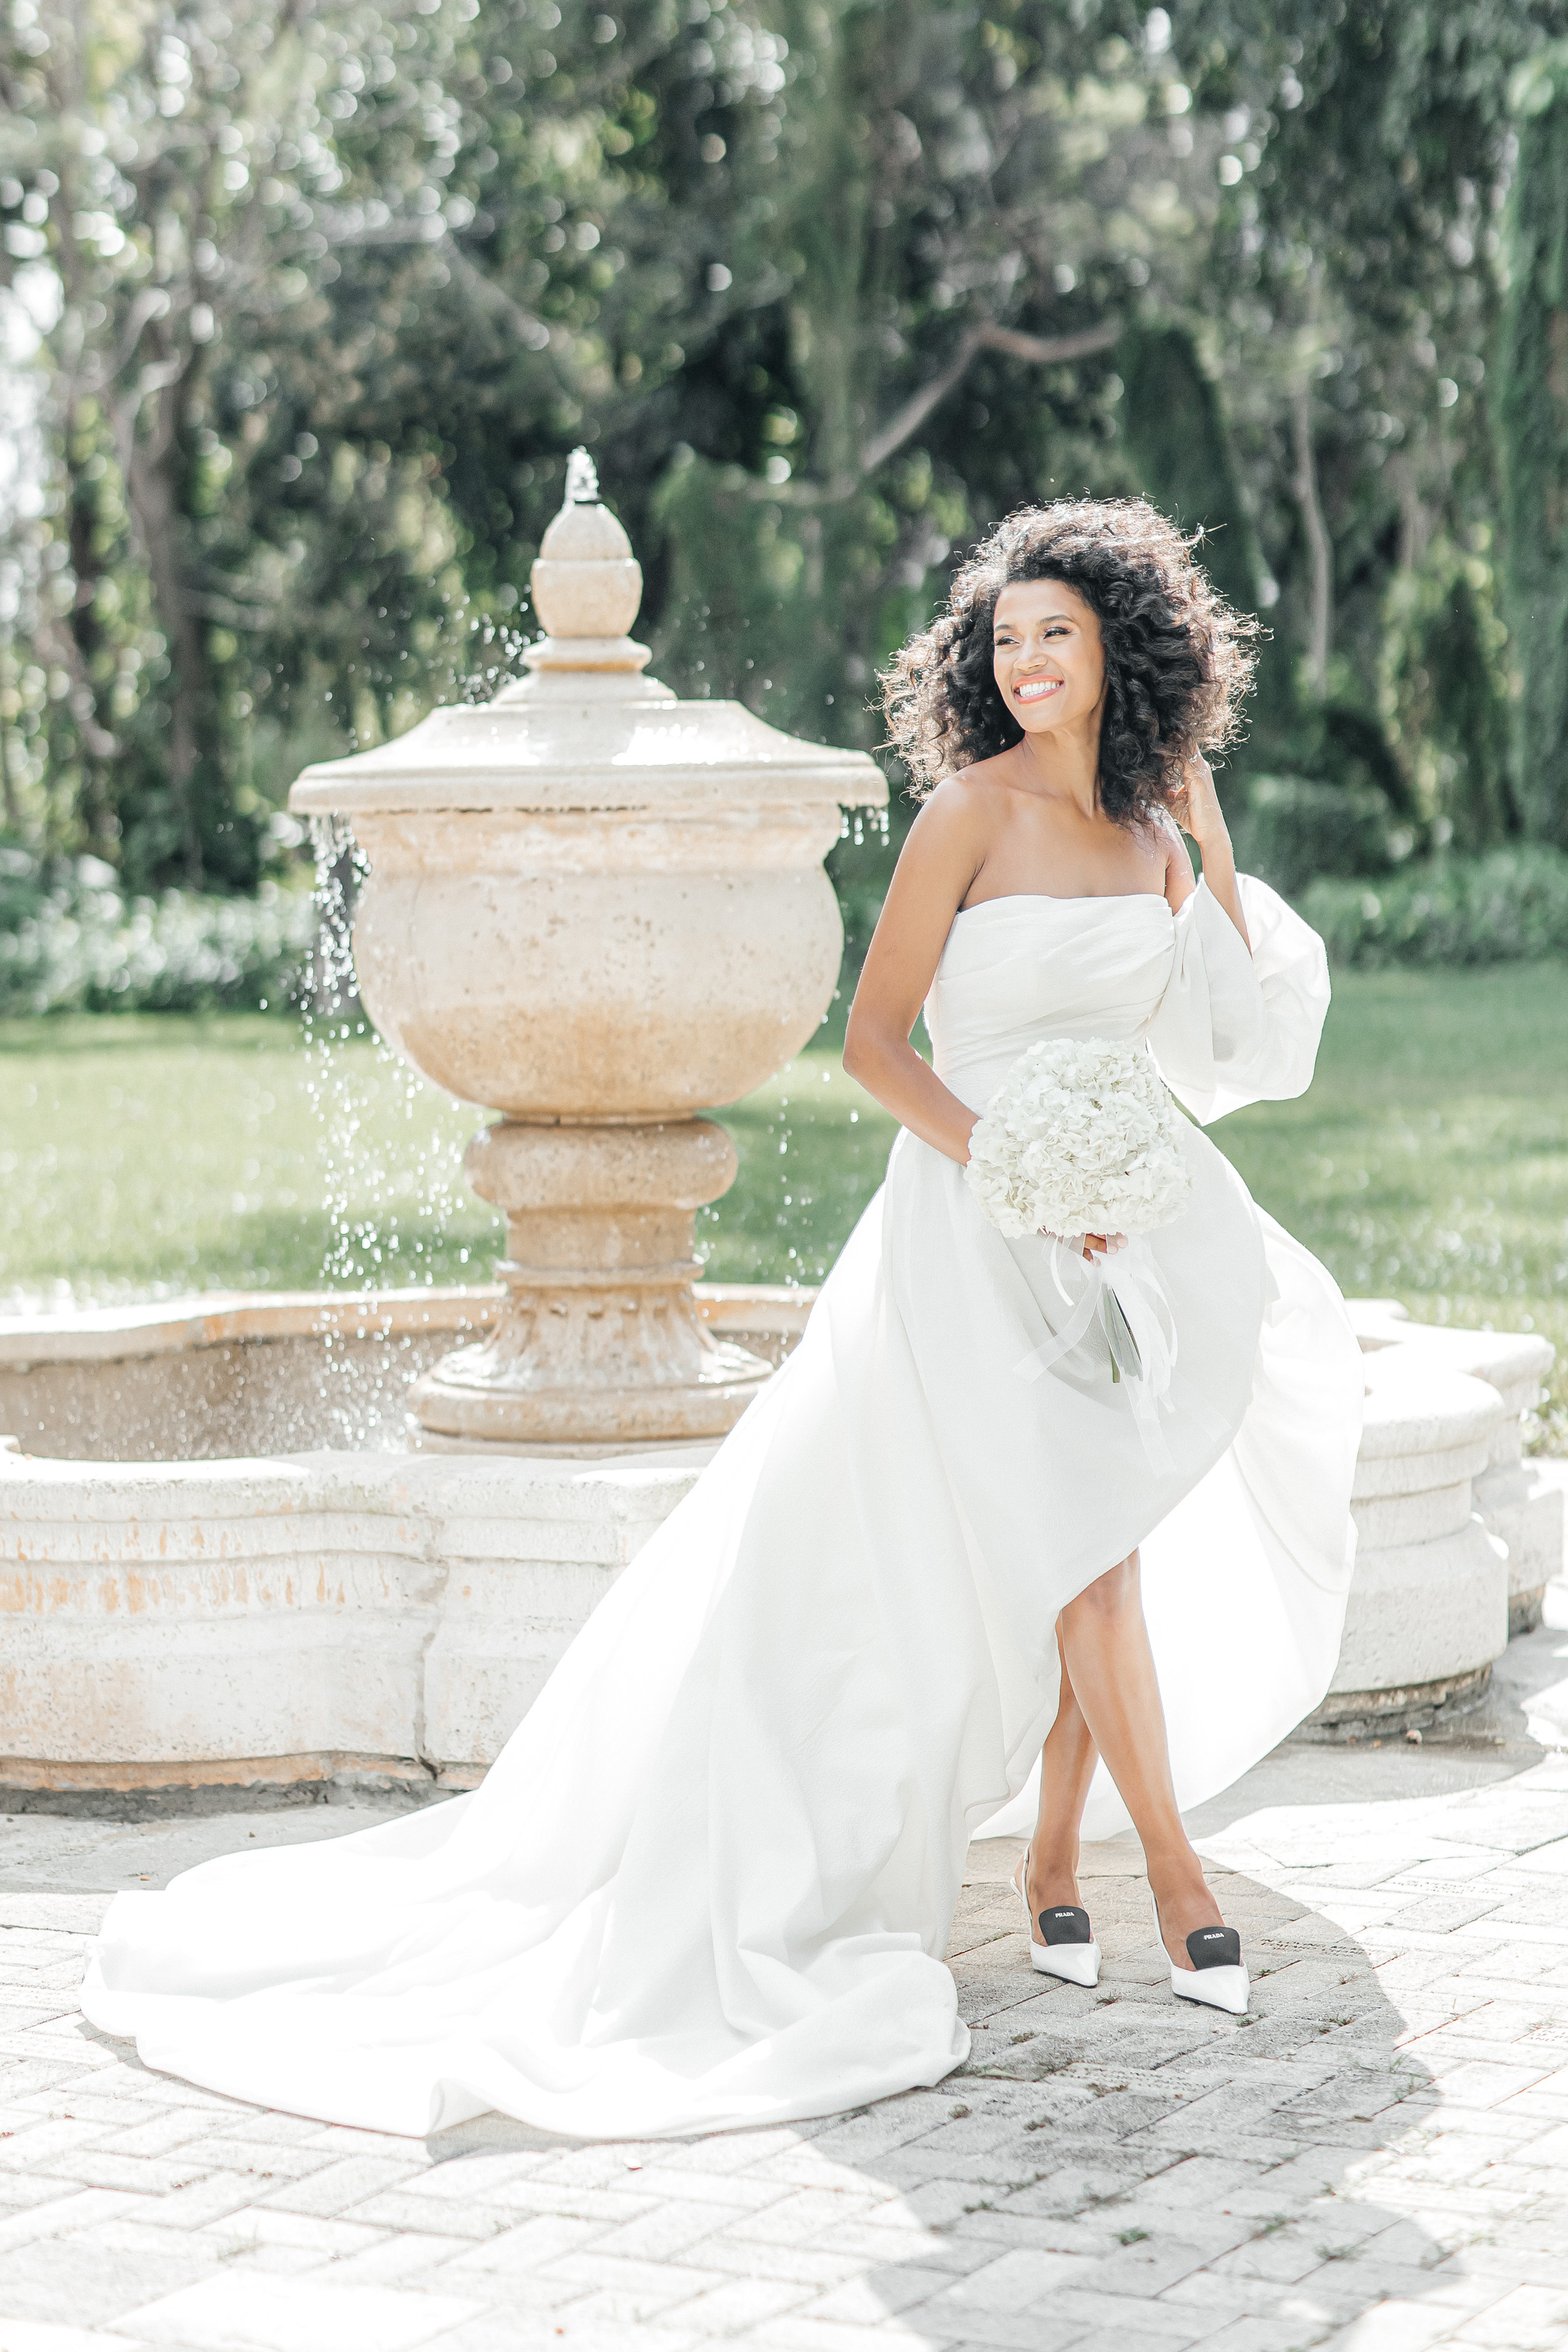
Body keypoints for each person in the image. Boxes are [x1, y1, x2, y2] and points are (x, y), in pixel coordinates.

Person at [82, 499, 1362, 2142]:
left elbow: (1228, 1047)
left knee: (1092, 1525)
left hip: (1119, 1241)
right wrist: (1018, 1164)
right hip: (971, 1237)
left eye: (1061, 634)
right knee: (1090, 1548)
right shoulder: (963, 817)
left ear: (1128, 648)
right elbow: (878, 1048)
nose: (1030, 662)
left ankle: (1055, 1857)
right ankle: (1172, 1878)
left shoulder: (1148, 838)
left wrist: (1212, 840)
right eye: (1009, 638)